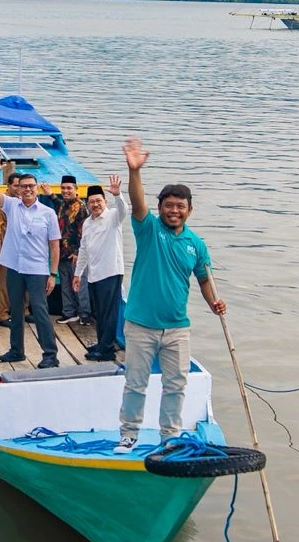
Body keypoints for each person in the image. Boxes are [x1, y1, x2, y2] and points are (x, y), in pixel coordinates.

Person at [115, 138, 224, 453]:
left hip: (177, 328)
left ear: (189, 209)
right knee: (135, 383)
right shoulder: (149, 229)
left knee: (176, 386)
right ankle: (129, 434)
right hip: (140, 325)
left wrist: (214, 302)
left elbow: (204, 279)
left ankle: (169, 438)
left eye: (180, 206)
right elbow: (137, 204)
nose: (174, 210)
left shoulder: (196, 244)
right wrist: (134, 171)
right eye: (169, 205)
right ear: (160, 207)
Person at [0, 154, 61, 368]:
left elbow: (55, 245)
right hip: (14, 266)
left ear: (37, 188)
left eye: (31, 186)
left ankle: (50, 354)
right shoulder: (11, 205)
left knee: (40, 310)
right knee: (16, 310)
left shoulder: (48, 213)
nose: (27, 189)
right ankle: (16, 350)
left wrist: (53, 273)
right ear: (17, 189)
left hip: (37, 269)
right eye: (23, 186)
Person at [74, 178, 128, 361]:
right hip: (94, 274)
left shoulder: (113, 216)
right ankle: (101, 342)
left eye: (99, 201)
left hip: (111, 271)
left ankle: (107, 349)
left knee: (109, 311)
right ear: (87, 204)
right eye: (92, 202)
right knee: (98, 311)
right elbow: (83, 249)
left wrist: (118, 195)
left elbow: (124, 211)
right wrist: (78, 273)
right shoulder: (87, 223)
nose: (95, 204)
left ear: (105, 201)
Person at [50, 175, 90, 324]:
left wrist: (77, 252)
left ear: (76, 189)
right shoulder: (62, 205)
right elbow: (58, 203)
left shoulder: (81, 207)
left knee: (79, 284)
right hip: (61, 253)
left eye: (69, 188)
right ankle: (69, 312)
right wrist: (50, 194)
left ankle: (84, 314)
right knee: (66, 285)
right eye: (63, 188)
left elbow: (84, 231)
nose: (66, 191)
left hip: (75, 254)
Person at [0, 168, 22, 327]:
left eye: (20, 186)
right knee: (3, 284)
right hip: (5, 250)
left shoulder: (23, 202)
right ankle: (2, 315)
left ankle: (24, 311)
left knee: (22, 282)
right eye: (15, 185)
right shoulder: (0, 204)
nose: (18, 189)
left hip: (22, 250)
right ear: (8, 186)